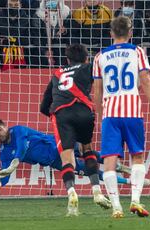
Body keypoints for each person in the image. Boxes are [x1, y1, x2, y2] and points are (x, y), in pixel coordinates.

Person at [93, 16, 150, 218]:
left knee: (110, 161)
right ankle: (135, 201)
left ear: (111, 33)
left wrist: (100, 114)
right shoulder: (137, 51)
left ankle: (116, 206)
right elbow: (145, 80)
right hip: (133, 113)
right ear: (130, 32)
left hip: (111, 115)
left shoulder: (100, 56)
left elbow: (96, 90)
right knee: (137, 156)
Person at [0, 119, 148, 197]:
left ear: (5, 127)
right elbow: (6, 175)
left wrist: (16, 161)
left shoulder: (17, 130)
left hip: (58, 145)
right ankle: (129, 181)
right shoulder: (4, 151)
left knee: (91, 156)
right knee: (88, 171)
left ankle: (123, 167)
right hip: (54, 161)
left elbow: (21, 146)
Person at [40, 44, 106, 216]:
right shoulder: (88, 67)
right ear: (86, 58)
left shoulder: (57, 75)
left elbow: (43, 106)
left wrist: (60, 118)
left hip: (62, 114)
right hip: (84, 111)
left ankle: (71, 194)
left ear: (67, 60)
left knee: (67, 157)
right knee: (87, 149)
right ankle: (97, 191)